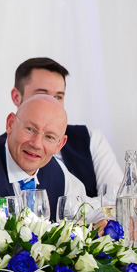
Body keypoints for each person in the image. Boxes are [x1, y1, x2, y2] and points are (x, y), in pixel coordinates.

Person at [0, 95, 89, 220]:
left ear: (60, 144)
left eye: (49, 137)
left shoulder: (58, 171)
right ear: (10, 124)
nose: (36, 144)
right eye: (30, 129)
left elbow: (88, 210)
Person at [10, 57, 122, 198]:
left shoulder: (91, 139)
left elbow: (116, 197)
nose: (51, 103)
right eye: (42, 94)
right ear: (16, 97)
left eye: (58, 97)